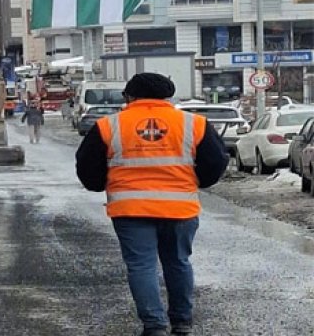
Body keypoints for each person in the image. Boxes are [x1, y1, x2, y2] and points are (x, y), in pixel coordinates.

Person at [75, 73, 229, 336]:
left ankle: (154, 325)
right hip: (180, 208)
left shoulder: (108, 126)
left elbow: (87, 166)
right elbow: (216, 162)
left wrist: (101, 184)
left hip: (130, 209)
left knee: (141, 265)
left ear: (129, 96)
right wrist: (195, 181)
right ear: (167, 96)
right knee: (178, 262)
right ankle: (182, 323)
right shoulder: (194, 123)